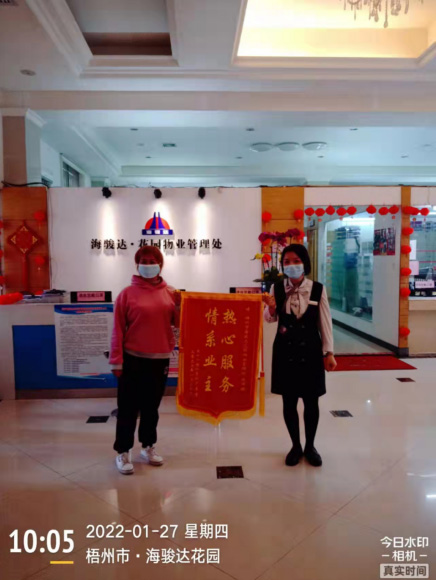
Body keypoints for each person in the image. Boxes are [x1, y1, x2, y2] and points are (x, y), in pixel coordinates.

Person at [263, 244, 337, 467]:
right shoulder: (276, 287)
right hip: (285, 351)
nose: (291, 265)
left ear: (305, 263)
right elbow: (269, 319)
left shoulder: (317, 289)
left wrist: (329, 352)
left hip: (311, 351)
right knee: (289, 401)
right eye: (287, 262)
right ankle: (295, 446)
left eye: (296, 261)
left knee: (311, 402)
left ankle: (310, 446)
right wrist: (271, 307)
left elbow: (325, 322)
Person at [110, 246, 181, 475]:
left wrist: (179, 305)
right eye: (144, 261)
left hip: (159, 359)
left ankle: (148, 446)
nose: (148, 265)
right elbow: (117, 329)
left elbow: (179, 323)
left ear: (160, 265)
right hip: (132, 359)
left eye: (152, 261)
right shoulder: (126, 294)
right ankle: (123, 451)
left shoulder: (170, 292)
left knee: (152, 407)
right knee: (128, 408)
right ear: (137, 264)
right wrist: (117, 361)